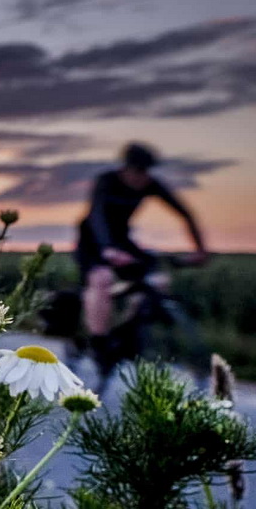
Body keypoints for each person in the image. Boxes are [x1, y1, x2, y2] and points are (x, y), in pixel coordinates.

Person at [76, 142, 208, 362]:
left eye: (147, 172)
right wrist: (108, 249)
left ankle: (128, 335)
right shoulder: (106, 182)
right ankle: (98, 343)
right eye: (138, 171)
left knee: (156, 281)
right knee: (102, 278)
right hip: (93, 241)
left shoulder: (151, 185)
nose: (143, 177)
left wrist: (200, 249)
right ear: (126, 168)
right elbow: (96, 215)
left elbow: (185, 214)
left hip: (122, 239)